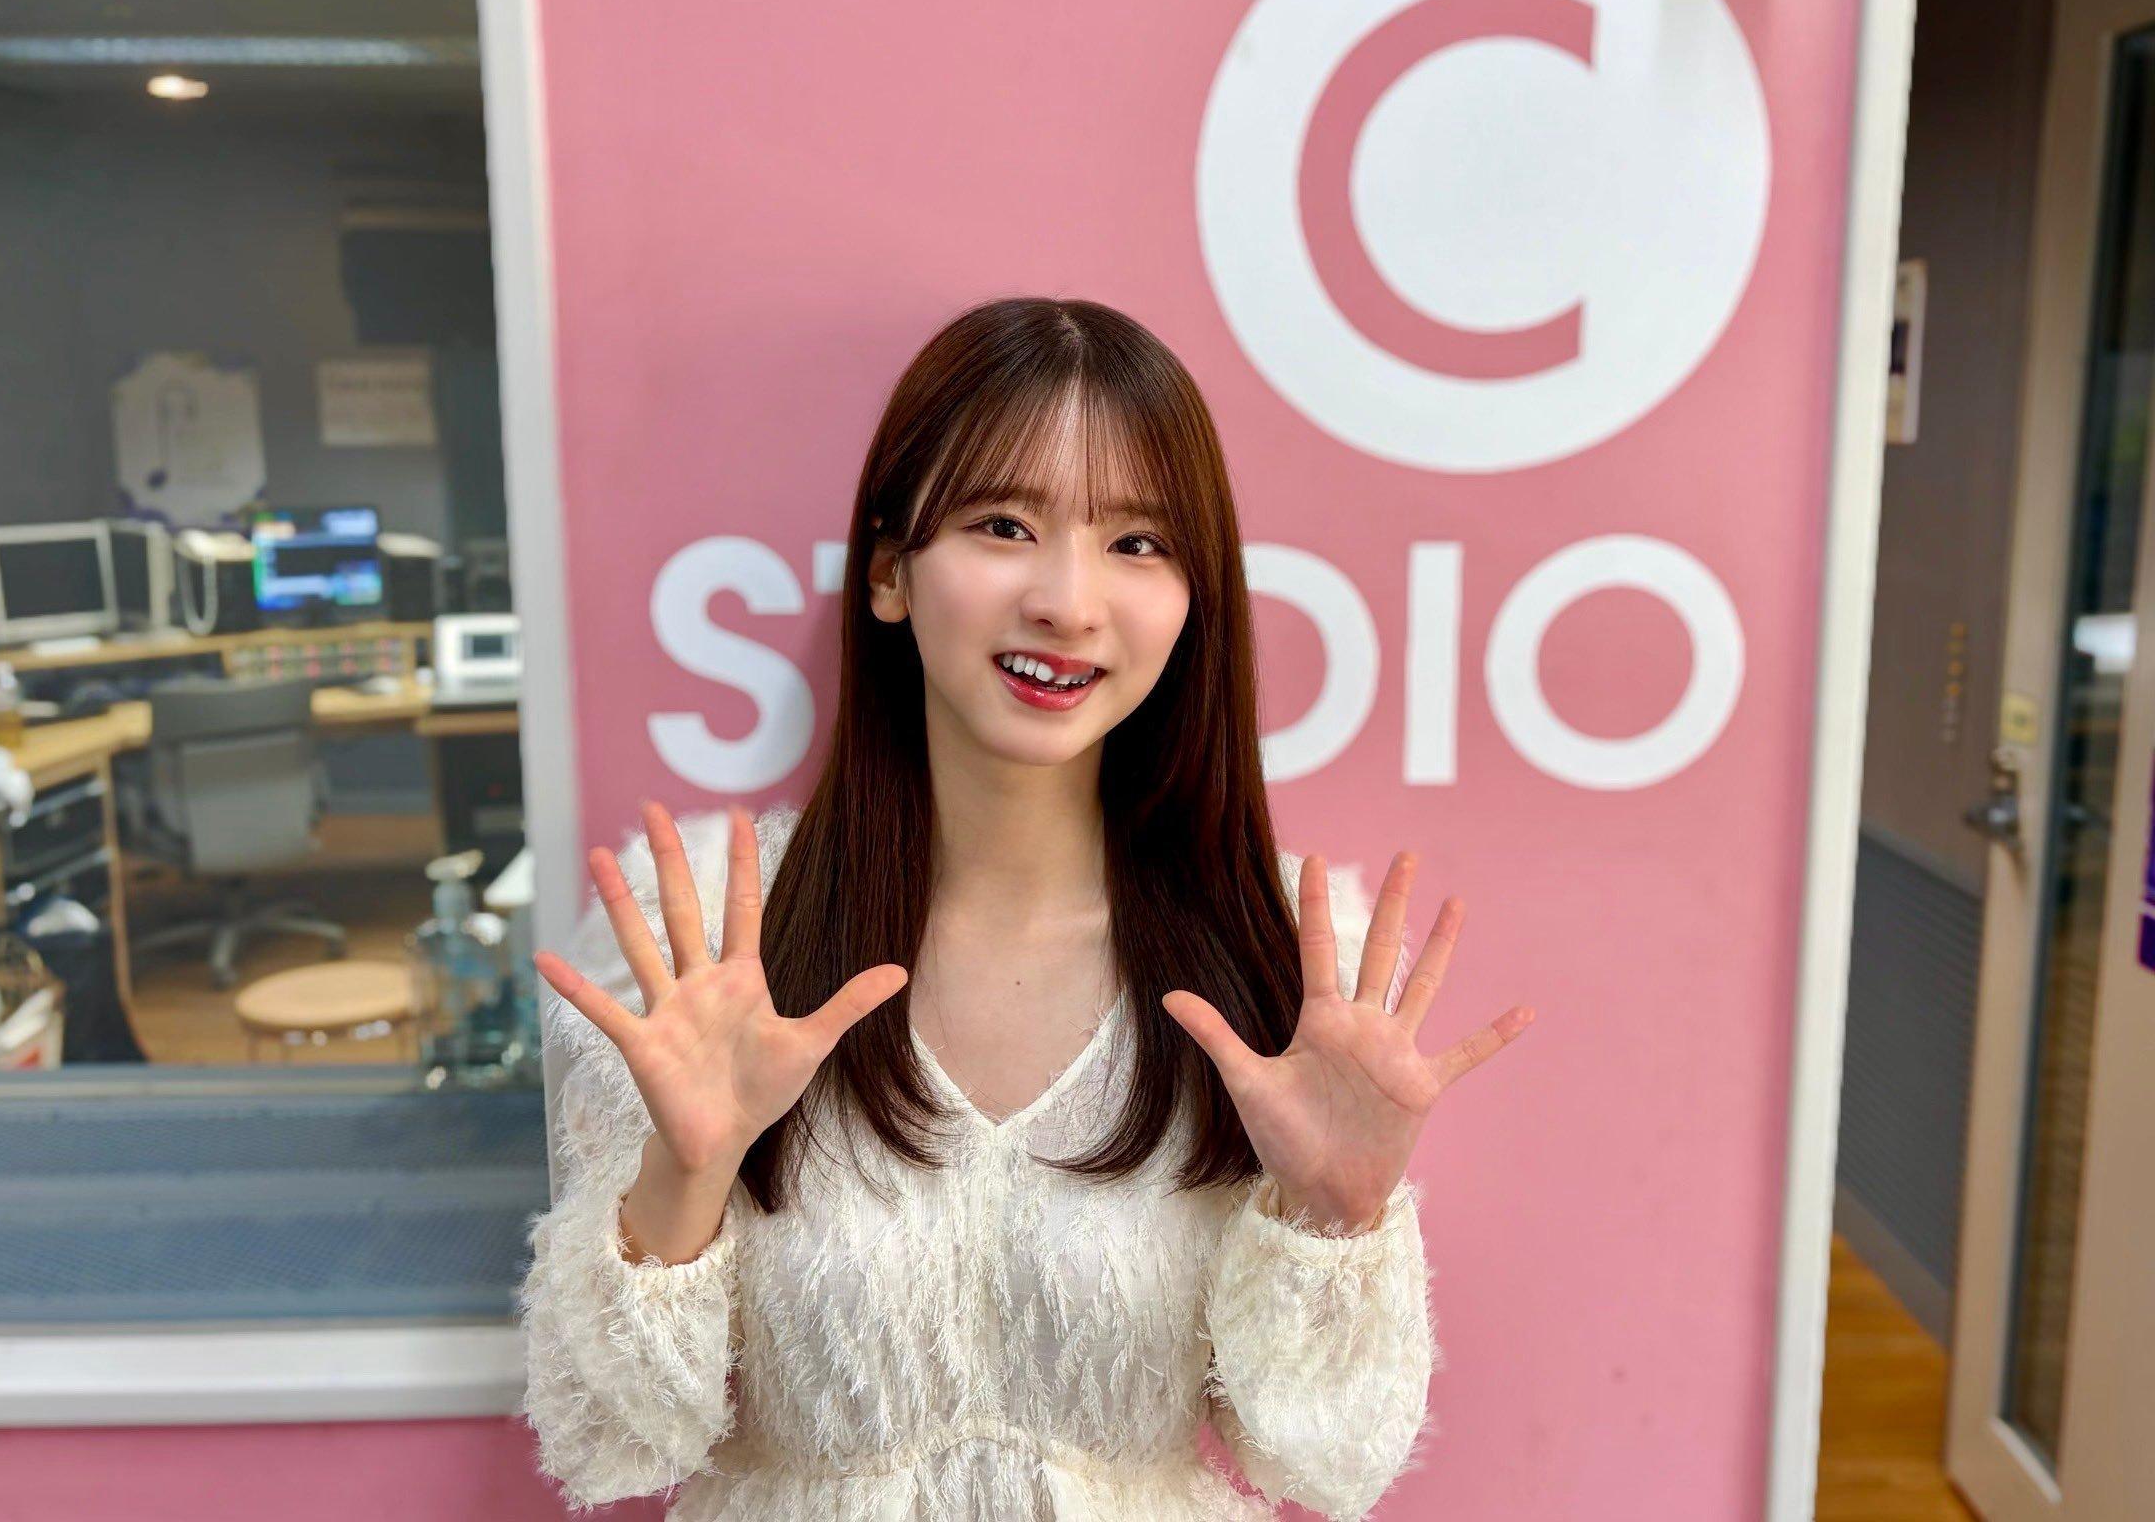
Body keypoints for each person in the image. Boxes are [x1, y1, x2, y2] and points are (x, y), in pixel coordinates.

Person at [519, 297, 1535, 1520]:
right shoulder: (709, 942)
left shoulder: (1283, 957)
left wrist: (1334, 1220)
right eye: (1003, 525)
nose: (1067, 601)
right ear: (889, 571)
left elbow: (1321, 1461)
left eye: (1137, 542)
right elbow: (609, 1443)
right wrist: (684, 1177)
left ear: (1194, 598)